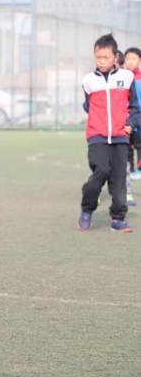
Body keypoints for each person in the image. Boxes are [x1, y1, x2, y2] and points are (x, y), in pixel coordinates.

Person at [77, 34, 140, 233]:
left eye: (105, 57)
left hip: (121, 138)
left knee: (119, 178)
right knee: (101, 171)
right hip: (97, 137)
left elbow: (134, 107)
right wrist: (100, 121)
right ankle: (87, 209)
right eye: (98, 57)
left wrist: (129, 123)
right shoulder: (88, 81)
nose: (101, 61)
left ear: (115, 57)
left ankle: (118, 218)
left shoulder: (126, 77)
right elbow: (89, 106)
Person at [123, 47, 141, 182]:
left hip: (139, 118)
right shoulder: (122, 77)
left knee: (139, 144)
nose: (130, 62)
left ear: (139, 61)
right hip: (127, 117)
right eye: (128, 59)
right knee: (127, 146)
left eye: (133, 59)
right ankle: (131, 169)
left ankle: (139, 170)